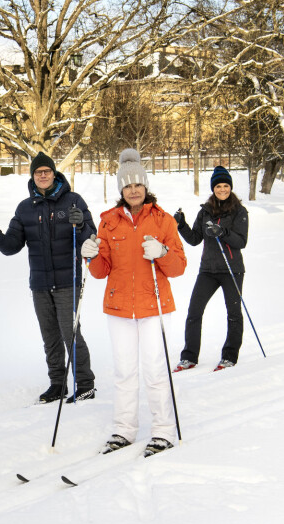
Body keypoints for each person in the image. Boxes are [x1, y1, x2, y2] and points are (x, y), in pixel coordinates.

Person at [81, 148, 186, 458]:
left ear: (145, 186)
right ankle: (124, 430)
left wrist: (163, 254)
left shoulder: (163, 220)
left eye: (138, 184)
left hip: (154, 305)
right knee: (124, 371)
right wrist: (89, 256)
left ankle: (164, 430)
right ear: (121, 190)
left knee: (155, 369)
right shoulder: (108, 222)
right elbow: (101, 272)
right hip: (119, 308)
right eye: (127, 186)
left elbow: (179, 266)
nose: (134, 189)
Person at [0, 151, 97, 404]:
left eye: (47, 171)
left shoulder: (74, 201)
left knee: (71, 333)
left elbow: (90, 241)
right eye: (38, 172)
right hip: (40, 284)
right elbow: (13, 245)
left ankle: (85, 384)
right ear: (33, 176)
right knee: (50, 337)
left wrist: (81, 225)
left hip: (68, 280)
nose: (43, 175)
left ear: (54, 174)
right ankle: (57, 384)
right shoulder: (25, 208)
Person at [173, 166, 249, 372]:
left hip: (232, 270)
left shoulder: (239, 212)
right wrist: (181, 225)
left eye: (226, 186)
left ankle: (229, 356)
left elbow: (241, 241)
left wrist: (222, 231)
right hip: (208, 270)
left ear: (230, 187)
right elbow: (195, 240)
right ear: (213, 188)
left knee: (233, 313)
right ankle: (189, 357)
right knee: (194, 312)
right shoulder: (205, 211)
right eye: (218, 186)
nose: (222, 189)